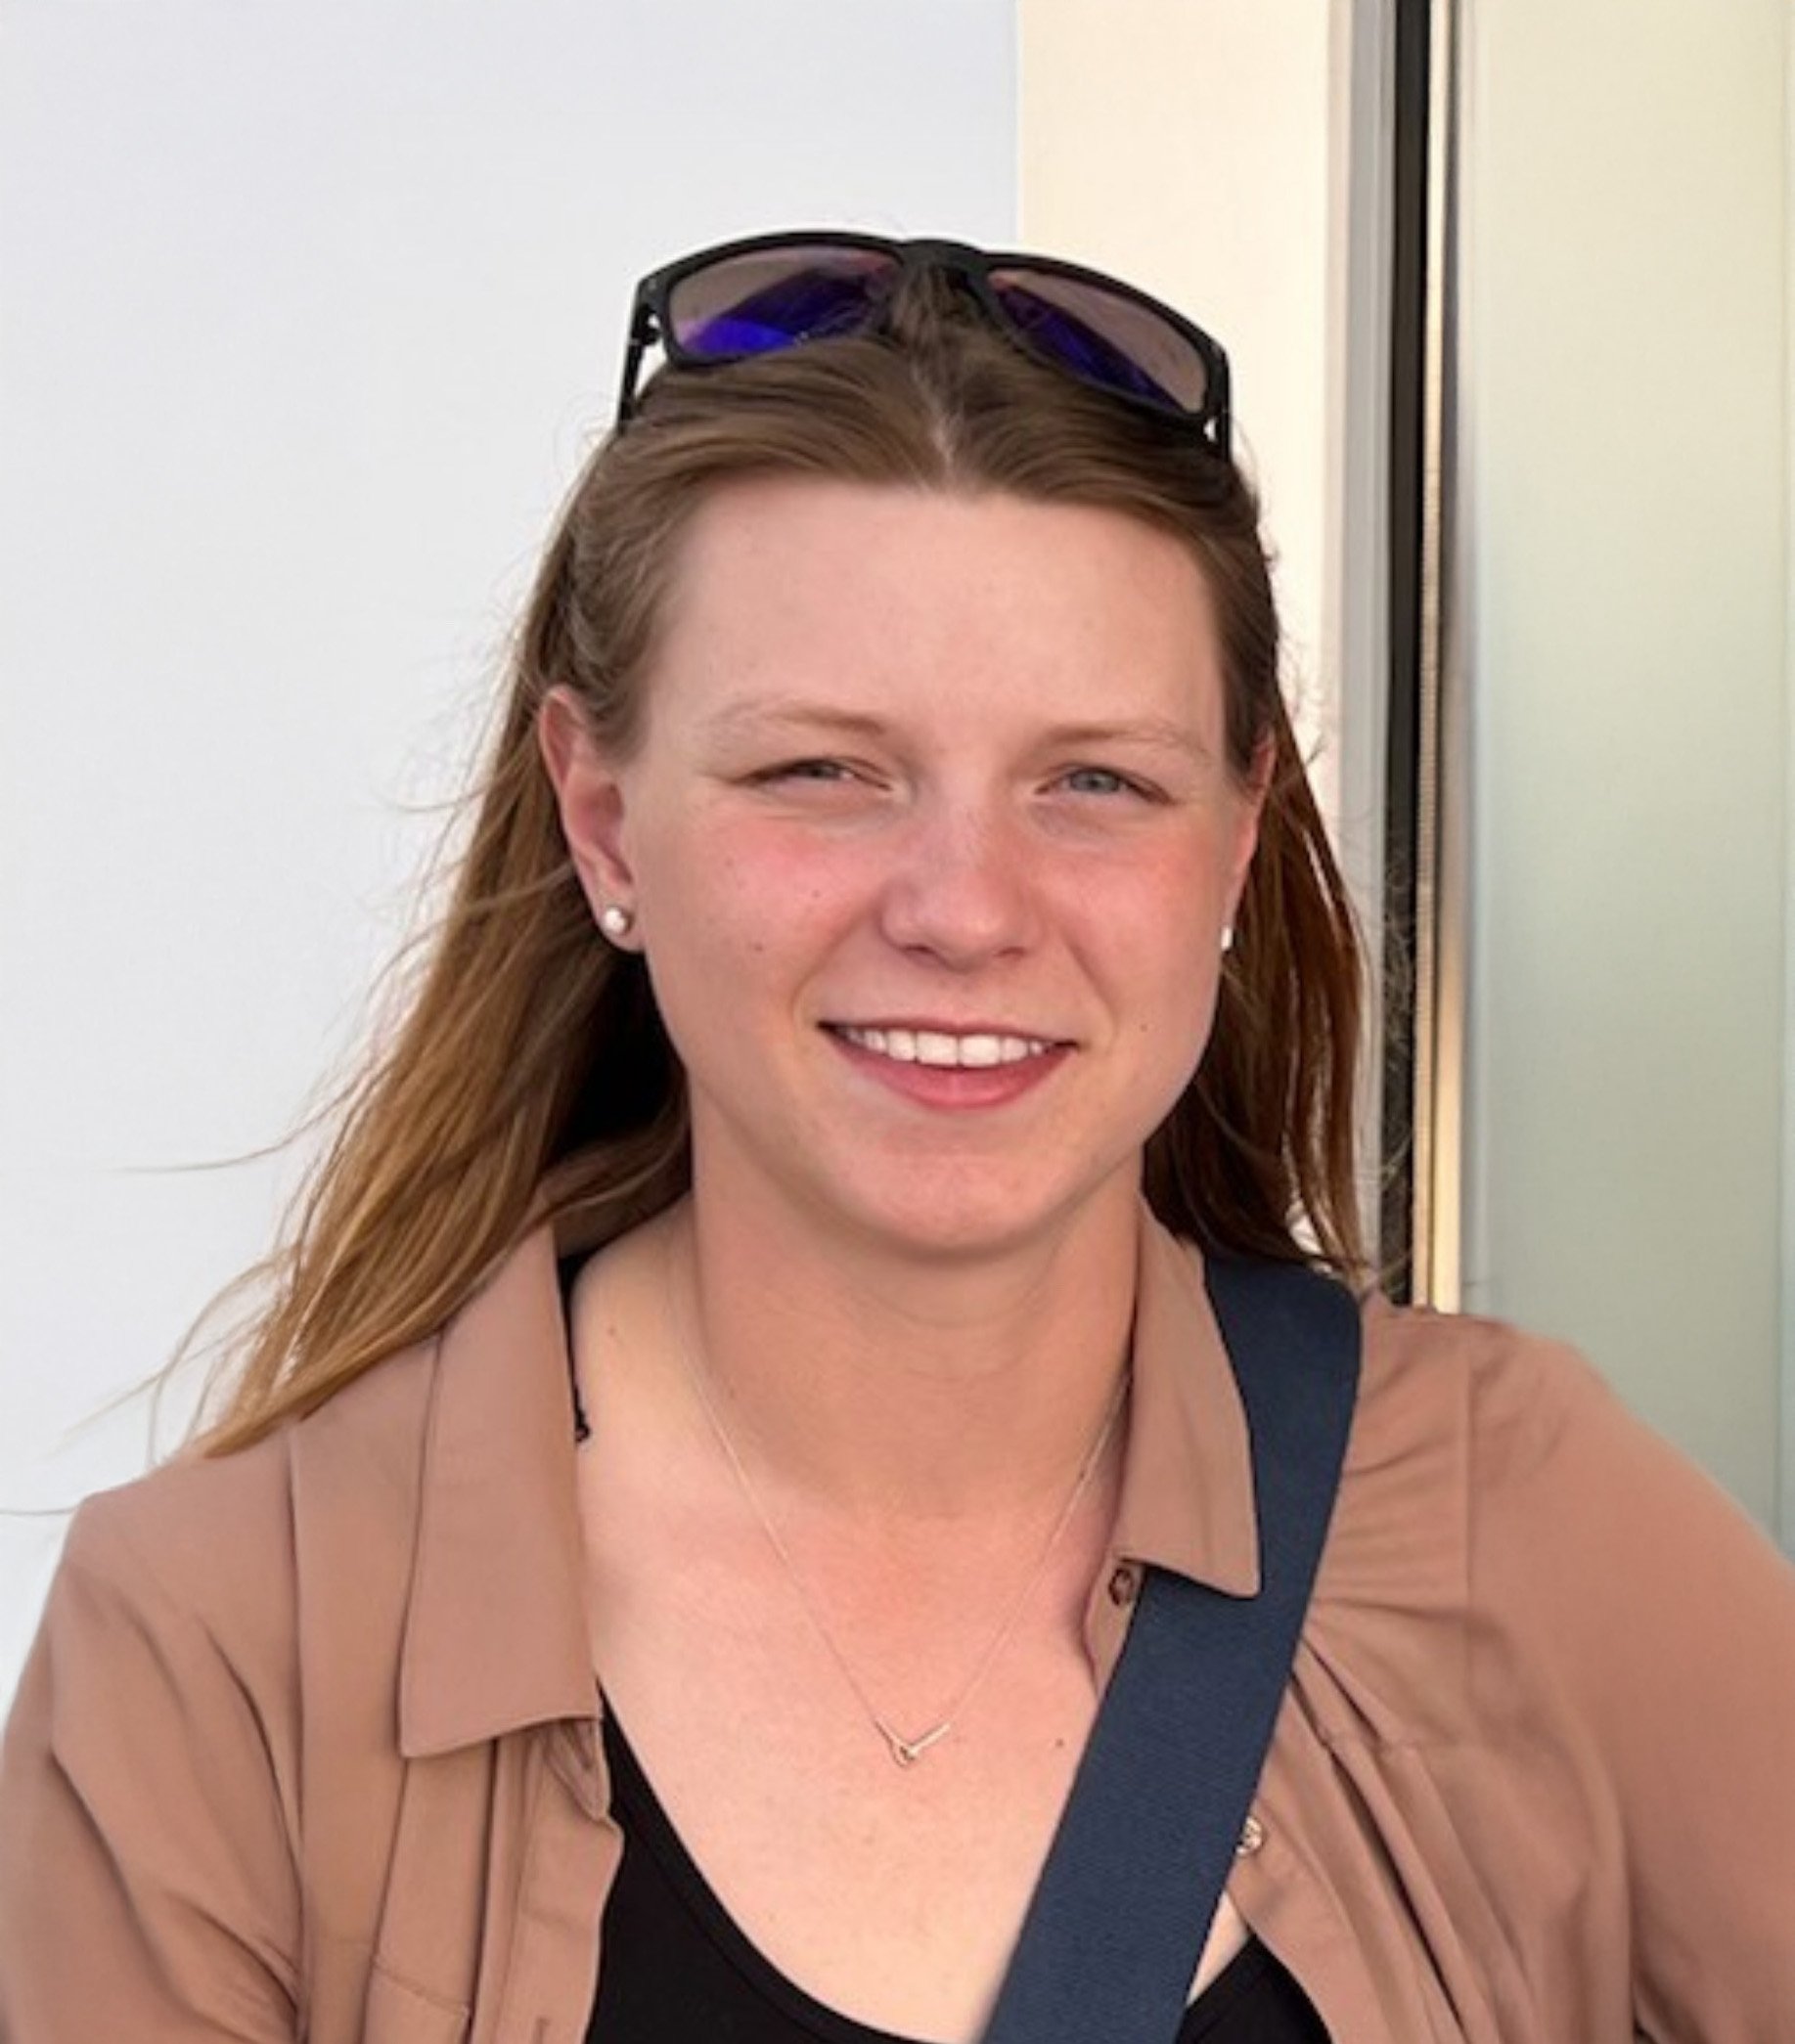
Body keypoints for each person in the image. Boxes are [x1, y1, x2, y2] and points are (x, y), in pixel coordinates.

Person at [1, 232, 1791, 2044]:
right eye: (823, 771)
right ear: (605, 820)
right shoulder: (229, 1644)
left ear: (1238, 839)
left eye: (1095, 781)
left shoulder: (1532, 1524)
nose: (965, 907)